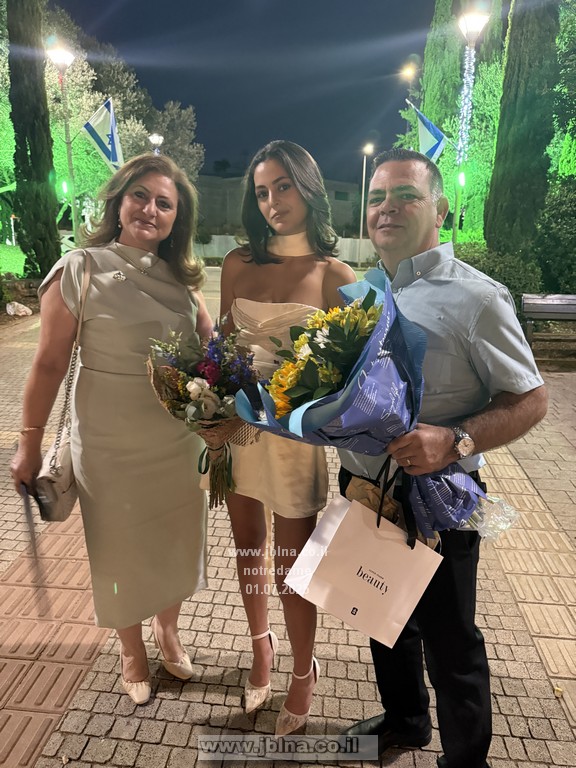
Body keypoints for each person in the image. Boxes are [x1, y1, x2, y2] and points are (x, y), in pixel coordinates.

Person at [340, 148, 548, 768]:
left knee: (451, 640)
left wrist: (455, 440)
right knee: (382, 615)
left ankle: (466, 759)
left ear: (440, 209)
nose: (386, 208)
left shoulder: (476, 297)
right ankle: (406, 721)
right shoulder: (361, 292)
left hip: (439, 498)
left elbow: (531, 399)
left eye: (405, 194)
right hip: (364, 488)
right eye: (377, 197)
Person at [11, 154, 213, 706]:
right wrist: (28, 443)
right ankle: (130, 648)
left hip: (177, 441)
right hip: (108, 440)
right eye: (140, 195)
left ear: (176, 218)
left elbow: (210, 350)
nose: (150, 209)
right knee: (118, 546)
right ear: (118, 201)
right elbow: (48, 364)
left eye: (164, 203)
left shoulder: (185, 280)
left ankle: (167, 628)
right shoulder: (80, 269)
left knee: (177, 541)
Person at [219, 140, 356, 735]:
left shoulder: (335, 275)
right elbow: (222, 346)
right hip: (237, 432)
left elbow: (353, 376)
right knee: (248, 546)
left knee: (290, 567)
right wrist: (207, 401)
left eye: (283, 186)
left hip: (296, 441)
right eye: (261, 191)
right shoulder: (236, 263)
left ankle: (304, 670)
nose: (273, 201)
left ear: (308, 187)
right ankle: (261, 648)